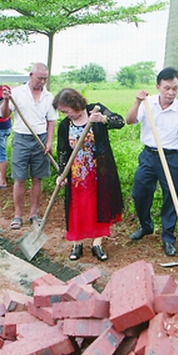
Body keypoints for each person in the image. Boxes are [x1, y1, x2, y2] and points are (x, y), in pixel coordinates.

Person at [126, 67, 178, 257]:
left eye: (175, 88)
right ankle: (146, 226)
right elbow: (129, 120)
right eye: (167, 88)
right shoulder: (147, 104)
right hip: (149, 155)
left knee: (171, 198)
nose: (171, 92)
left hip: (171, 157)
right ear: (158, 86)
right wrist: (137, 102)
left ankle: (168, 238)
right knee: (139, 193)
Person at [53, 88, 125, 262]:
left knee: (97, 206)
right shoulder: (65, 125)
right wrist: (62, 173)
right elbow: (63, 151)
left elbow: (120, 121)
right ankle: (77, 243)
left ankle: (97, 244)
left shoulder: (95, 110)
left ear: (75, 104)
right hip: (77, 175)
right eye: (63, 112)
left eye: (66, 110)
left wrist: (102, 119)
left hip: (99, 171)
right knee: (77, 209)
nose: (66, 114)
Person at [1, 63, 57, 229]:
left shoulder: (49, 97)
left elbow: (52, 121)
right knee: (19, 178)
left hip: (40, 139)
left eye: (45, 79)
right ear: (31, 75)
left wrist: (49, 141)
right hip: (21, 139)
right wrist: (5, 101)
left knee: (37, 178)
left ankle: (34, 213)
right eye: (40, 78)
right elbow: (5, 114)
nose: (42, 82)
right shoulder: (17, 93)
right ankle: (17, 215)